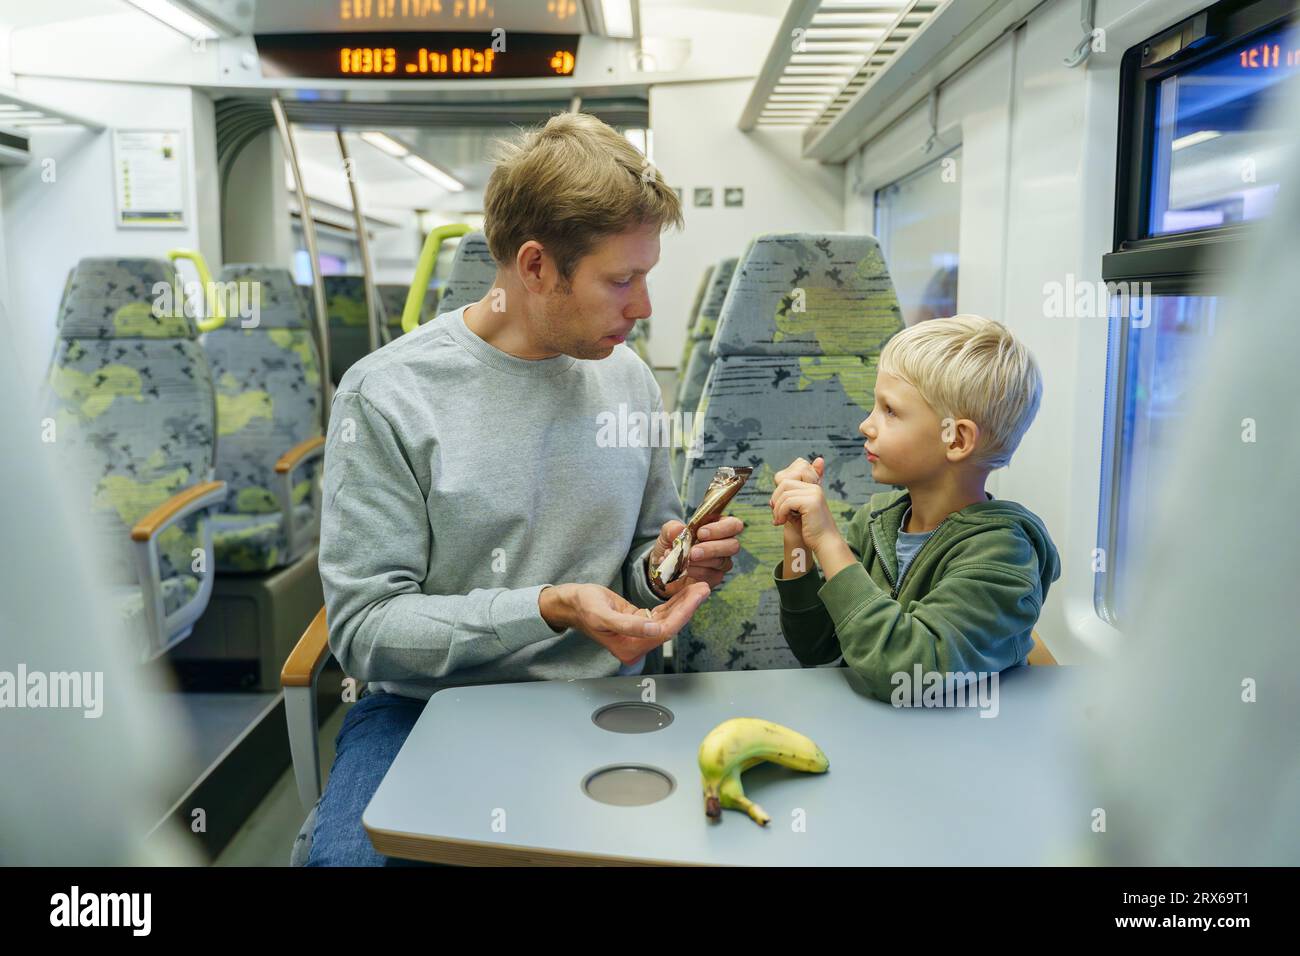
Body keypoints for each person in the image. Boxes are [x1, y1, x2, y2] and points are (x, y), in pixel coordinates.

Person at [307, 112, 742, 866]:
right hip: (424, 710)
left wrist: (667, 567)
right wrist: (545, 608)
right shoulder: (388, 396)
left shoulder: (629, 378)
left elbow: (644, 553)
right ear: (536, 266)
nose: (641, 307)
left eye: (646, 277)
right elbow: (367, 631)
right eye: (622, 280)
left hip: (601, 699)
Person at [769, 315, 1059, 699]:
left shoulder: (1003, 556)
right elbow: (815, 644)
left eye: (889, 411)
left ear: (956, 439)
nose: (865, 426)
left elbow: (910, 671)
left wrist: (828, 543)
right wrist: (799, 542)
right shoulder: (875, 521)